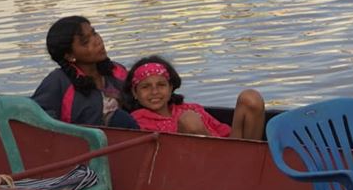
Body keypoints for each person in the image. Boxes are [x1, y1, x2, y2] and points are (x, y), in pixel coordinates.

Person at [31, 16, 139, 129]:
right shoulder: (58, 81)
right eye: (86, 42)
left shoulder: (116, 71)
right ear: (70, 56)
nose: (97, 41)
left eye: (95, 33)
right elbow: (36, 119)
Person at [122, 55, 266, 140]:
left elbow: (224, 133)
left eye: (161, 85)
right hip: (193, 168)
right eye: (145, 87)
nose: (154, 92)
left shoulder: (191, 108)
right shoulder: (135, 121)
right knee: (188, 120)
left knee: (250, 98)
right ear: (135, 93)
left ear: (171, 88)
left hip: (229, 155)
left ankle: (250, 164)